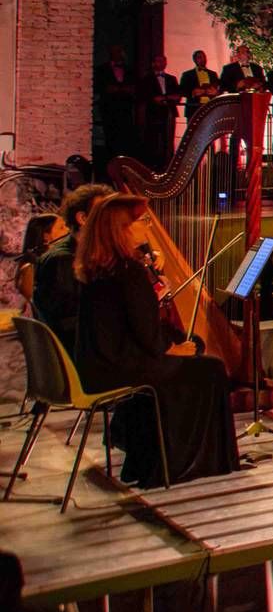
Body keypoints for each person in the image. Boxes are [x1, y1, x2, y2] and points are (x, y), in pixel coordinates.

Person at [72, 194, 241, 486]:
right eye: (141, 221)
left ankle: (152, 459)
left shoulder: (98, 267)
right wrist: (177, 348)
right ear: (121, 229)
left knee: (198, 364)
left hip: (97, 364)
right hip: (119, 368)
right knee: (210, 369)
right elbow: (148, 336)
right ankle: (190, 462)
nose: (147, 227)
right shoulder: (129, 272)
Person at [30, 184, 114, 354]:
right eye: (104, 215)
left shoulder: (81, 253)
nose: (112, 221)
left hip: (93, 348)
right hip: (84, 356)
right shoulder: (62, 261)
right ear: (82, 218)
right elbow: (71, 322)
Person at [98, 45, 139, 161]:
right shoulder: (102, 69)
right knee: (110, 135)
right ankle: (111, 159)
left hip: (125, 108)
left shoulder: (129, 69)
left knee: (126, 135)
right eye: (114, 51)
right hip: (109, 108)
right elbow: (101, 87)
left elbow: (134, 87)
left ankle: (125, 159)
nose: (116, 54)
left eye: (118, 51)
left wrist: (121, 90)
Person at [15, 212, 65, 302]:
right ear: (46, 236)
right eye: (62, 228)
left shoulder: (62, 259)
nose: (68, 230)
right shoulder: (30, 268)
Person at [142, 55, 182, 167]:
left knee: (168, 140)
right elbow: (148, 97)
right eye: (158, 61)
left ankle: (169, 165)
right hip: (154, 113)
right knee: (153, 140)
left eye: (163, 61)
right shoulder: (147, 79)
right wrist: (166, 98)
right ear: (153, 63)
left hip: (169, 112)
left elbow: (178, 96)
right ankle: (153, 166)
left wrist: (164, 98)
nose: (161, 63)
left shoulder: (171, 78)